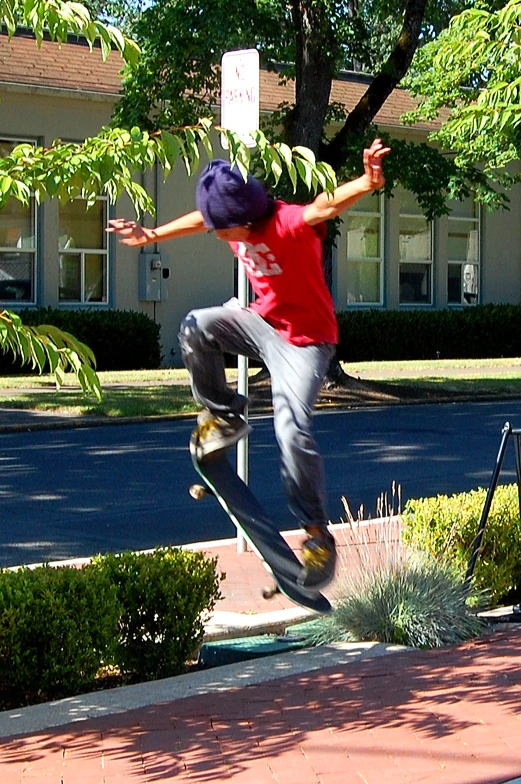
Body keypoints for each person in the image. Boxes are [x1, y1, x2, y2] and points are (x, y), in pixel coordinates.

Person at [107, 138, 390, 590]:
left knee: (291, 430)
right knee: (196, 325)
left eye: (222, 230)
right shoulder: (230, 216)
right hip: (261, 324)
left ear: (241, 219)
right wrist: (153, 235)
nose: (216, 235)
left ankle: (317, 534)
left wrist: (367, 181)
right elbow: (204, 217)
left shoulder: (288, 224)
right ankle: (222, 415)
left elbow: (325, 206)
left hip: (306, 343)